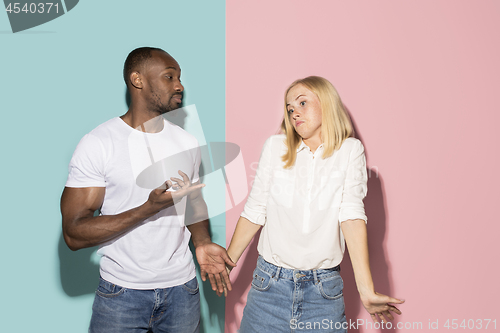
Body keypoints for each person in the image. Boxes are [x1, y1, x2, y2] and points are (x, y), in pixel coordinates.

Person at [60, 47, 234, 333]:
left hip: (182, 291)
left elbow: (193, 201)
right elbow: (74, 234)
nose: (179, 85)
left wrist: (201, 241)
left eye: (179, 77)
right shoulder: (99, 143)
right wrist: (148, 208)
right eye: (169, 77)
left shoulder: (187, 142)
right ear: (137, 80)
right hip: (122, 294)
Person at [225, 76, 404, 332]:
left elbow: (351, 217)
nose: (294, 113)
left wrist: (366, 291)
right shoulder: (276, 147)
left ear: (327, 103)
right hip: (269, 287)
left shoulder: (350, 151)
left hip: (324, 292)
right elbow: (255, 210)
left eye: (302, 103)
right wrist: (226, 264)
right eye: (290, 109)